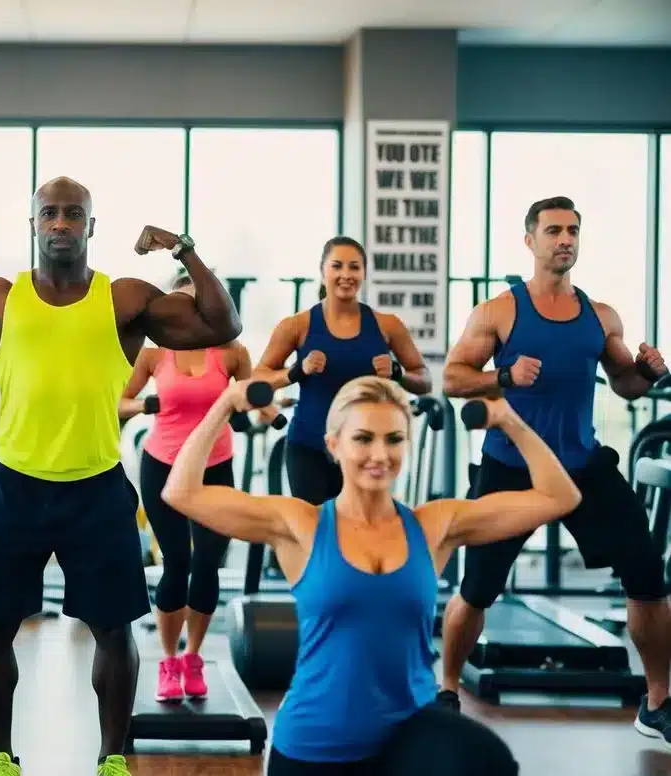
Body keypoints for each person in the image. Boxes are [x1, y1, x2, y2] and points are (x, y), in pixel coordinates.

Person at [0, 177, 242, 776]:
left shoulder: (123, 298)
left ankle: (113, 763)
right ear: (34, 223)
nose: (63, 223)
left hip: (97, 486)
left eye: (75, 214)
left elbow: (221, 322)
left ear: (92, 227)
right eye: (51, 213)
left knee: (113, 629)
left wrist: (183, 249)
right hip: (14, 484)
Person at [163, 375, 579, 776]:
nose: (380, 455)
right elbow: (180, 492)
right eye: (363, 438)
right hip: (316, 741)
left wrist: (508, 420)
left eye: (394, 439)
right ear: (333, 444)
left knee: (493, 765)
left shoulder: (434, 525)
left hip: (405, 730)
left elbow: (560, 497)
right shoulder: (297, 524)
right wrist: (225, 403)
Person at [440, 196, 671, 739]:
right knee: (477, 588)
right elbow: (452, 378)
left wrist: (650, 371)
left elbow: (626, 385)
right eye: (553, 231)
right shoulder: (500, 310)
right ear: (531, 241)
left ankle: (658, 700)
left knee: (647, 576)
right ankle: (446, 690)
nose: (564, 239)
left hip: (580, 465)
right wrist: (503, 376)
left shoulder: (600, 315)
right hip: (509, 466)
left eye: (571, 230)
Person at [118, 272, 253, 704]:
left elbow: (251, 399)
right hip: (163, 467)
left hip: (216, 466)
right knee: (177, 561)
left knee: (209, 562)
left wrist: (273, 398)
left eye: (195, 303)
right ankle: (168, 660)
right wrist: (144, 405)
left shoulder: (232, 353)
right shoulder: (154, 353)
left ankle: (193, 657)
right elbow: (118, 401)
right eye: (178, 303)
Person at [254, 236, 431, 504]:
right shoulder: (297, 326)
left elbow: (424, 379)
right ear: (323, 270)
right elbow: (259, 379)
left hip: (367, 451)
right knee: (314, 536)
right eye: (337, 266)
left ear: (364, 273)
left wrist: (397, 372)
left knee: (361, 537)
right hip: (308, 446)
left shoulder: (387, 325)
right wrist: (295, 371)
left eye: (354, 267)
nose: (346, 275)